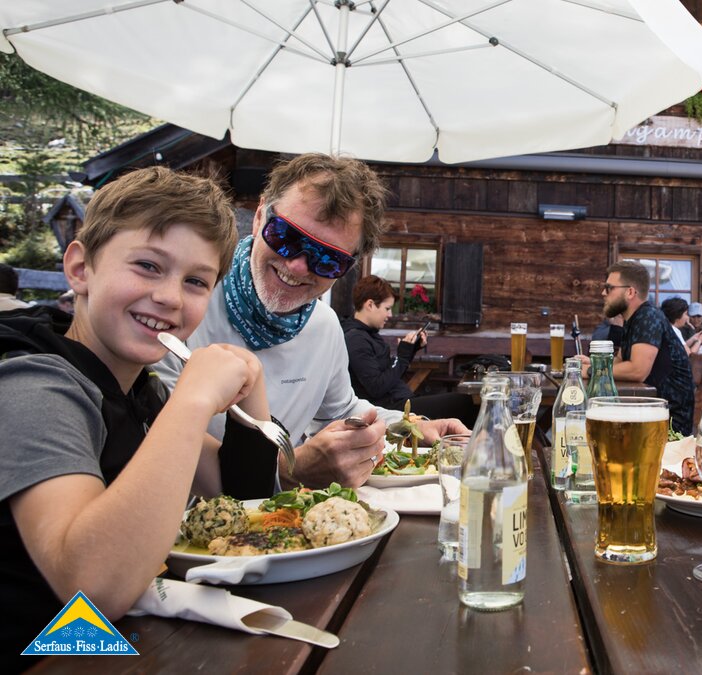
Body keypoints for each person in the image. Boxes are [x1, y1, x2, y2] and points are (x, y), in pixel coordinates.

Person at [0, 167, 274, 669]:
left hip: (118, 646)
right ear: (81, 268)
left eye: (196, 281)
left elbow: (242, 501)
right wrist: (192, 403)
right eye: (148, 265)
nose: (171, 297)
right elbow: (92, 589)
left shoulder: (139, 389)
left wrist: (249, 394)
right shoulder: (33, 385)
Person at [155, 153, 468, 491]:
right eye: (287, 237)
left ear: (347, 268)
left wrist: (410, 426)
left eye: (328, 260)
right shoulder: (186, 301)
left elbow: (342, 410)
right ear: (260, 217)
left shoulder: (324, 326)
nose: (298, 267)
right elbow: (164, 442)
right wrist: (292, 467)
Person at [342, 275, 476, 423]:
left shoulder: (368, 334)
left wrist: (410, 351)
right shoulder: (356, 339)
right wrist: (403, 356)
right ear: (370, 305)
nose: (390, 315)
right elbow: (377, 387)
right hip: (390, 410)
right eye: (387, 308)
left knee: (469, 402)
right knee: (465, 403)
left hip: (400, 402)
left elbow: (386, 372)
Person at [592, 261, 695, 435]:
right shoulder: (633, 320)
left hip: (668, 429)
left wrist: (592, 370)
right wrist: (596, 364)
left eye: (609, 288)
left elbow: (637, 370)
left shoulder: (648, 317)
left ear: (630, 292)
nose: (603, 293)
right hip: (646, 414)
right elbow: (620, 362)